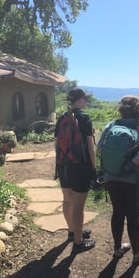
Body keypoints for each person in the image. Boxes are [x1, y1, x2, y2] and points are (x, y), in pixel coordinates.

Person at [97, 95, 139, 264]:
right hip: (136, 181)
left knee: (117, 212)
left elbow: (100, 149)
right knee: (133, 216)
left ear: (121, 109)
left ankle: (117, 250)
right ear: (138, 110)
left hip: (111, 177)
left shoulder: (111, 126)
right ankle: (136, 254)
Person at [55, 88, 96, 253]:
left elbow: (57, 145)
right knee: (78, 206)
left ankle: (72, 232)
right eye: (85, 99)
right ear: (79, 101)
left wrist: (57, 165)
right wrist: (94, 168)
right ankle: (78, 243)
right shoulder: (84, 118)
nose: (86, 101)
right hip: (80, 166)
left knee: (67, 199)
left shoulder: (62, 118)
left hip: (63, 164)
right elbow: (90, 146)